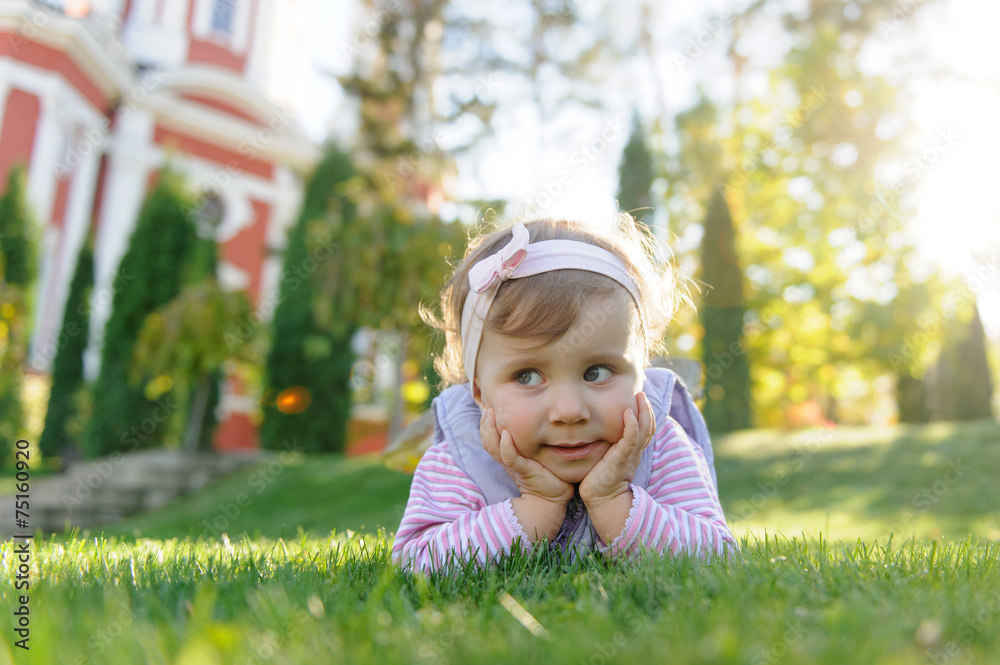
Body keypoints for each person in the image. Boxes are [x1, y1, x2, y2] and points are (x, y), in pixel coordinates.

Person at [392, 215, 736, 572]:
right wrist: (537, 508)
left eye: (597, 372)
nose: (569, 411)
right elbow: (417, 564)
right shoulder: (463, 459)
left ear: (641, 373)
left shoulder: (660, 447)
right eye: (527, 376)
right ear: (479, 393)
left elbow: (716, 559)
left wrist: (612, 500)